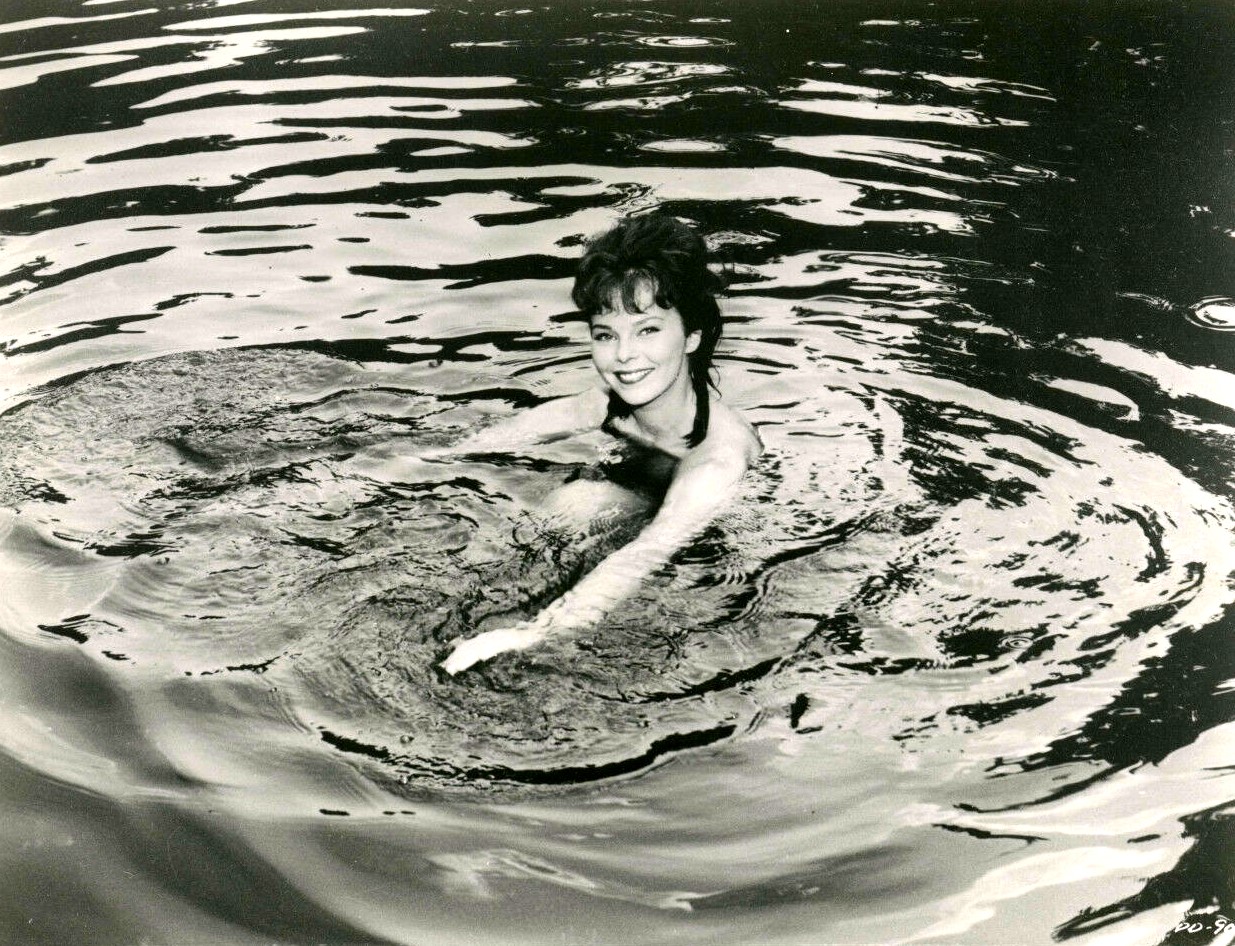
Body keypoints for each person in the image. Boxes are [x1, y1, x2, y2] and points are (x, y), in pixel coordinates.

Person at [440, 212, 761, 674]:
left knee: (582, 499)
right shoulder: (610, 404)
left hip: (697, 550)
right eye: (606, 335)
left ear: (690, 335)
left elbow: (648, 551)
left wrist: (535, 632)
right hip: (621, 513)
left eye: (648, 330)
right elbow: (506, 435)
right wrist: (411, 464)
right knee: (570, 507)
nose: (625, 356)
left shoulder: (718, 459)